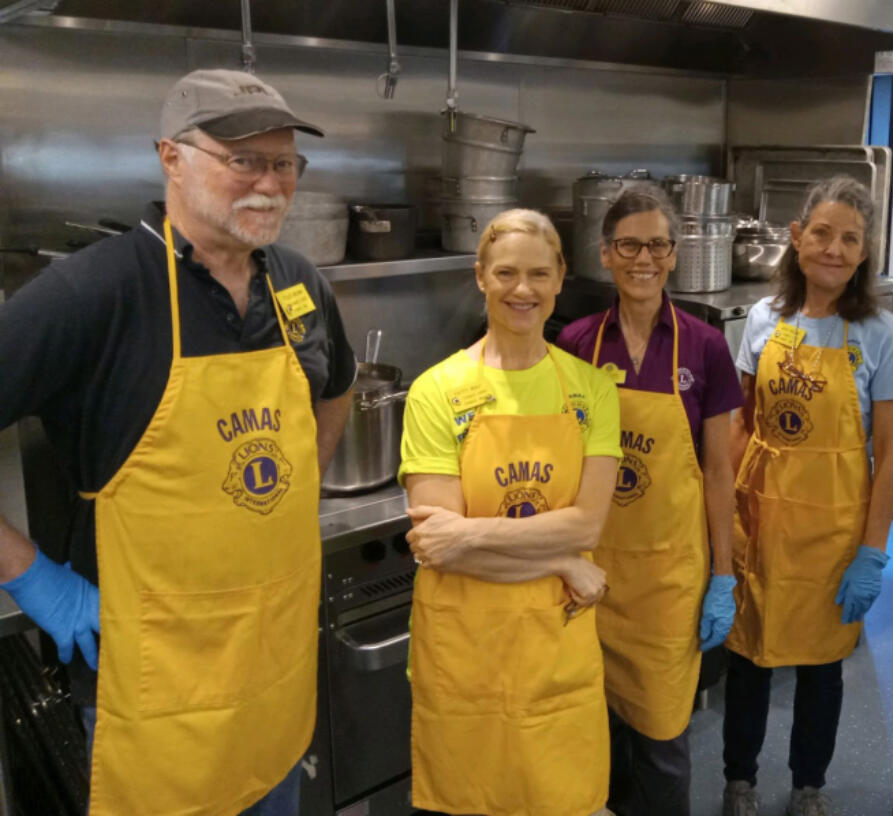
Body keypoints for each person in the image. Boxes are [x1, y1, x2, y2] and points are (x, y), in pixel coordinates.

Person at [0, 68, 356, 814]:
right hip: (157, 697)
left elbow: (339, 387)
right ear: (170, 157)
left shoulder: (298, 283)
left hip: (275, 686)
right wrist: (34, 577)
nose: (269, 183)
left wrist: (301, 482)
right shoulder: (94, 294)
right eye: (242, 160)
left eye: (284, 162)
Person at [400, 209, 621, 816]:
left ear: (559, 280)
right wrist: (563, 561)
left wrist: (469, 531)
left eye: (538, 274)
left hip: (555, 643)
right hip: (465, 644)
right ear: (480, 276)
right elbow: (438, 549)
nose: (522, 289)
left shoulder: (591, 389)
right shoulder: (435, 391)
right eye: (505, 272)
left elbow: (587, 524)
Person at [722, 176, 893, 816]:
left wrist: (873, 550)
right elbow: (743, 422)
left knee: (821, 670)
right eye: (822, 233)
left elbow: (889, 457)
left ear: (864, 254)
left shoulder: (882, 334)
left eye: (850, 239)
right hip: (761, 519)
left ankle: (809, 785)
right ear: (797, 239)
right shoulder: (763, 319)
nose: (834, 249)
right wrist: (717, 528)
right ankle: (738, 780)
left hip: (834, 531)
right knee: (747, 662)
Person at [556, 190, 743, 816]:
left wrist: (724, 574)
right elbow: (566, 463)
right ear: (605, 254)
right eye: (629, 245)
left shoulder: (705, 347)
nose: (645, 258)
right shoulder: (579, 343)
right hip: (595, 574)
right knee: (595, 737)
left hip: (668, 580)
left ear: (675, 253)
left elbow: (720, 471)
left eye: (658, 245)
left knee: (663, 743)